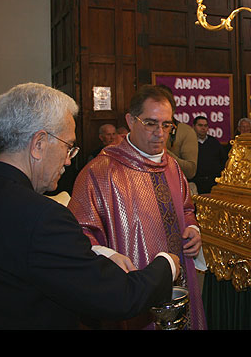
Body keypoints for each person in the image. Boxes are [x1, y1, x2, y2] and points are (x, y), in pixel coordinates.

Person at [0, 83, 179, 330]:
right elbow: (119, 298)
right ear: (38, 144)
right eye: (68, 146)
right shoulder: (44, 217)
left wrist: (94, 253)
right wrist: (166, 264)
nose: (69, 160)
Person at [69, 84, 206, 330]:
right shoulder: (101, 171)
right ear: (131, 120)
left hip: (179, 285)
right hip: (133, 293)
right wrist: (108, 255)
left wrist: (193, 229)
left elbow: (186, 209)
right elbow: (77, 232)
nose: (160, 133)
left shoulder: (172, 167)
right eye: (151, 123)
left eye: (166, 125)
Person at [156, 84, 198, 181]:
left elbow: (190, 171)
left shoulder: (185, 131)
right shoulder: (143, 130)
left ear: (172, 109)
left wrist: (164, 151)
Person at [191, 115, 227, 194]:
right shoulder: (189, 142)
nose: (203, 128)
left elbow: (223, 161)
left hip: (213, 183)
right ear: (193, 126)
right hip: (195, 183)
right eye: (200, 125)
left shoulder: (214, 142)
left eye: (205, 126)